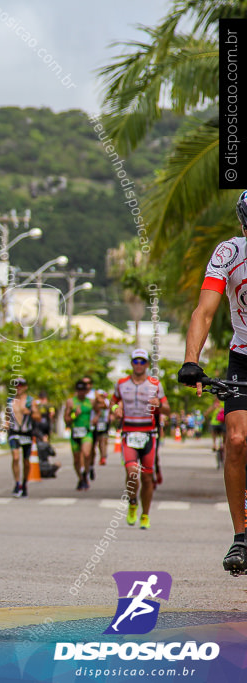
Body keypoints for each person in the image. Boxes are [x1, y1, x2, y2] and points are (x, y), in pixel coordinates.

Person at [179, 191, 247, 570]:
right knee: (236, 439)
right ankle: (241, 538)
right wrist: (192, 361)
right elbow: (205, 312)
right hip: (244, 356)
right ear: (243, 224)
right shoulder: (229, 253)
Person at [114, 349, 170, 530]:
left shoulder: (155, 384)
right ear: (131, 363)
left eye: (142, 362)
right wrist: (116, 408)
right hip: (129, 433)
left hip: (148, 434)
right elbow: (113, 402)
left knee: (147, 478)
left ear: (146, 364)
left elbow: (168, 408)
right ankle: (132, 503)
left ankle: (145, 514)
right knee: (131, 473)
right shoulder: (121, 383)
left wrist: (159, 405)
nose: (139, 365)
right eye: (135, 361)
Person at [5, 377, 38, 498]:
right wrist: (5, 425)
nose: (18, 388)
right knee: (15, 457)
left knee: (26, 461)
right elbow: (7, 417)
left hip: (26, 433)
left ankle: (25, 483)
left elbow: (38, 416)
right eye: (16, 385)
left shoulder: (30, 401)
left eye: (21, 385)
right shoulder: (10, 401)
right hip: (14, 432)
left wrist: (31, 412)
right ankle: (17, 483)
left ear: (25, 387)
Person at [64, 379, 94, 491]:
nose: (81, 392)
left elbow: (99, 411)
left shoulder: (90, 402)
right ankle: (80, 478)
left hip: (87, 432)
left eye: (83, 390)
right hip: (75, 433)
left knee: (86, 454)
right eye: (79, 390)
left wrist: (95, 419)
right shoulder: (71, 402)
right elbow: (66, 419)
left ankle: (86, 473)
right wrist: (74, 415)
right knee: (76, 459)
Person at [91, 388, 111, 467]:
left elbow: (105, 406)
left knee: (103, 441)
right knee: (93, 443)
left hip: (103, 423)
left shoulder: (106, 401)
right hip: (94, 424)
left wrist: (99, 399)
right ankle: (92, 460)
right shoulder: (93, 402)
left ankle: (103, 457)